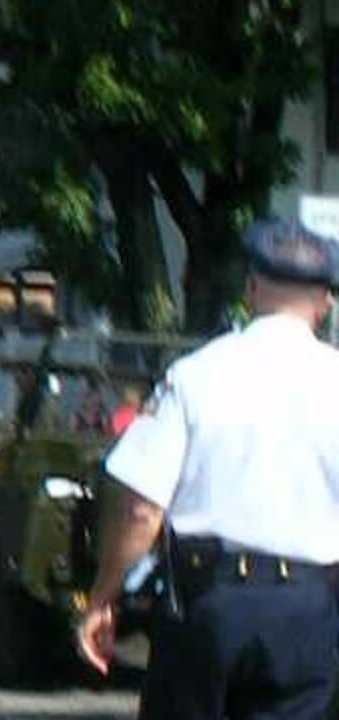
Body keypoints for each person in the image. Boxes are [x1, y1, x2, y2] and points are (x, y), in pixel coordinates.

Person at [77, 220, 339, 719]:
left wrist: (103, 598)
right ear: (325, 302)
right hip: (308, 610)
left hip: (206, 604)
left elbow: (140, 508)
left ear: (251, 289)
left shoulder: (196, 374)